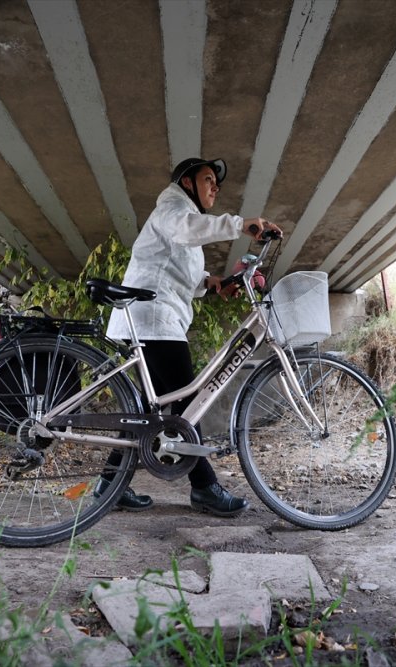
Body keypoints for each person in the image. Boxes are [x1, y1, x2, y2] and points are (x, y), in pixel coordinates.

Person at [98, 157, 282, 517]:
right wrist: (240, 224)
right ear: (186, 183)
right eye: (208, 180)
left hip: (153, 317)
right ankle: (204, 487)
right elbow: (185, 230)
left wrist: (213, 284)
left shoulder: (180, 217)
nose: (215, 187)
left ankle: (109, 484)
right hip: (152, 318)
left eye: (216, 183)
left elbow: (177, 268)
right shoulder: (172, 206)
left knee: (146, 410)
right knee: (188, 404)